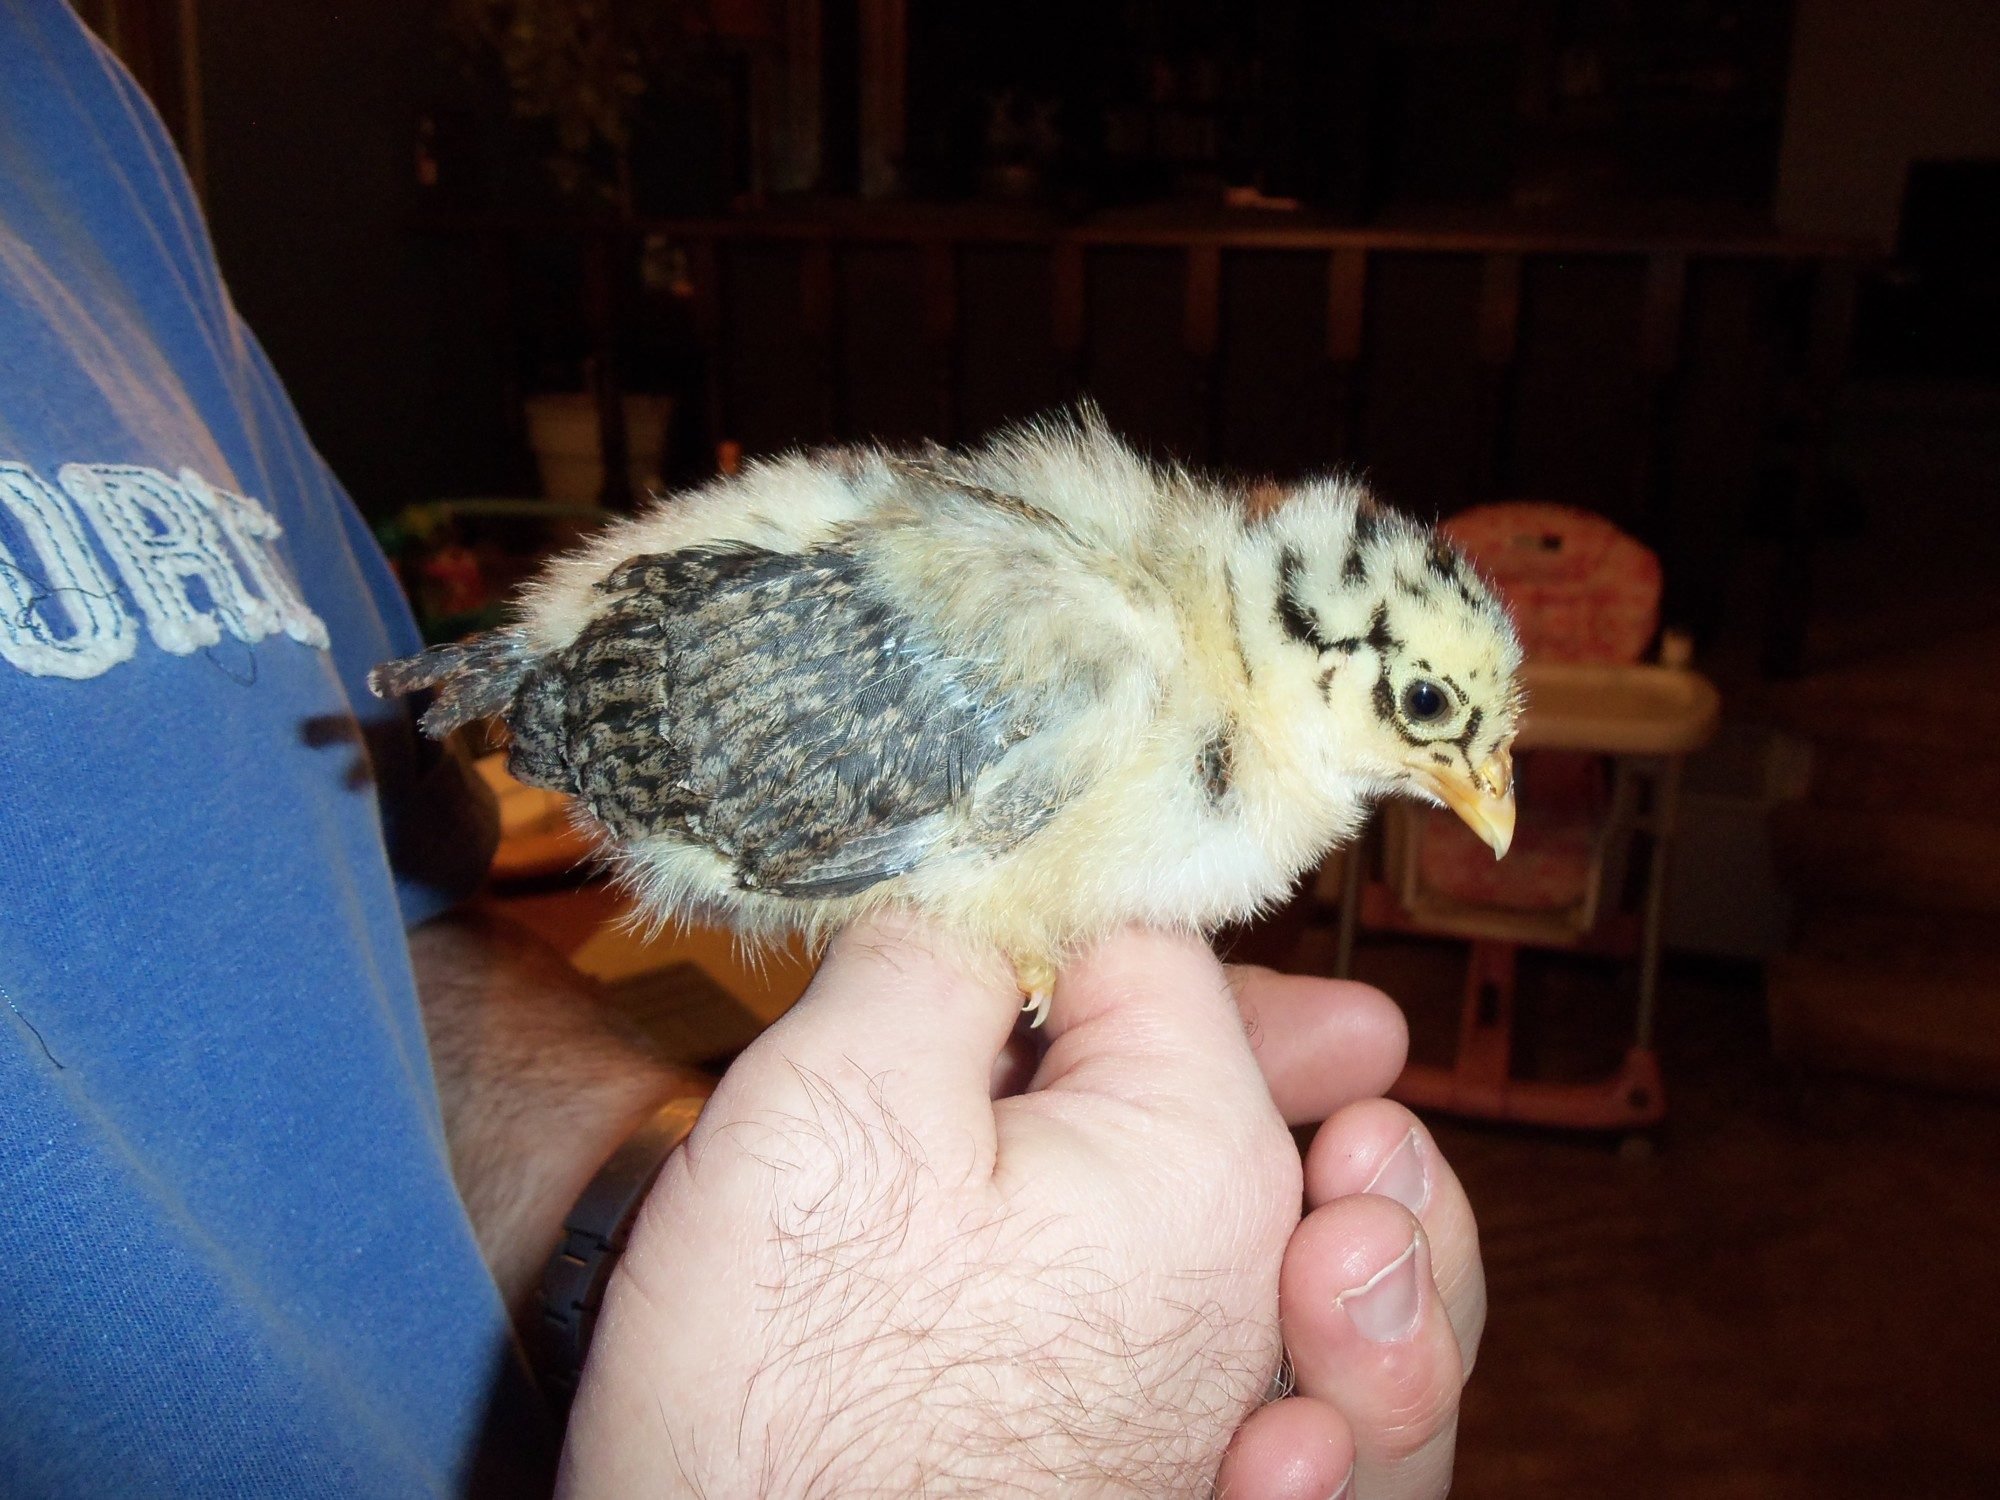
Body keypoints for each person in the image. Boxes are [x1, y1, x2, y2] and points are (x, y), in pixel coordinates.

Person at [0, 3, 1482, 1496]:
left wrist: (707, 1212)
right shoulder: (1101, 679)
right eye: (1434, 717)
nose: (1474, 785)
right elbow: (654, 703)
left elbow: (393, 946)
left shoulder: (75, 117)